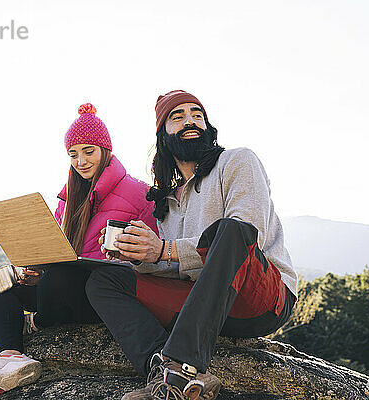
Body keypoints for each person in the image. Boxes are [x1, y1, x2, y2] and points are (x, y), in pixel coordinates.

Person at [86, 90, 298, 400]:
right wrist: (139, 256)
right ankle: (160, 371)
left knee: (231, 230)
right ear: (163, 135)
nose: (191, 121)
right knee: (103, 280)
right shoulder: (166, 199)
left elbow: (250, 236)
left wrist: (165, 249)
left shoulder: (238, 160)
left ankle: (181, 369)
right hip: (202, 303)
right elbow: (175, 267)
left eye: (197, 115)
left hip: (260, 296)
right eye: (178, 116)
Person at [0, 103, 158, 400]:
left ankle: (38, 323)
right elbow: (59, 251)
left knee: (59, 277)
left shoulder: (138, 192)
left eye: (89, 151)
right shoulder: (67, 200)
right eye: (73, 154)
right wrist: (34, 271)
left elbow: (150, 251)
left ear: (105, 150)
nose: (81, 161)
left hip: (102, 294)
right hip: (60, 286)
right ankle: (11, 358)